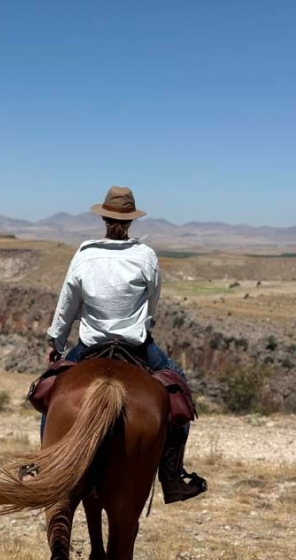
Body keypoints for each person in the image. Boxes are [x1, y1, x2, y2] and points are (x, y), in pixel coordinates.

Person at [45, 185, 206, 504]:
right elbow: (152, 302)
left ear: (103, 218)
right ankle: (172, 477)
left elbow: (68, 305)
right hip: (136, 346)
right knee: (180, 394)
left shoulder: (85, 253)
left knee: (53, 394)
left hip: (89, 347)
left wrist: (56, 341)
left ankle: (46, 465)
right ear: (131, 221)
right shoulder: (145, 255)